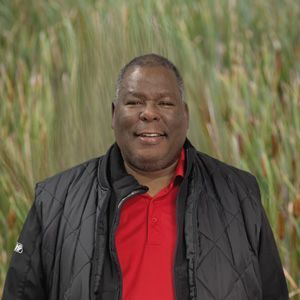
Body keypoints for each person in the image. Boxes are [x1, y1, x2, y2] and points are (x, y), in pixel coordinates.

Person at [3, 54, 288, 300]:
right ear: (114, 114)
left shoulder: (239, 194)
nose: (149, 113)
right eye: (134, 102)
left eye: (164, 103)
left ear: (185, 117)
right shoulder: (54, 201)